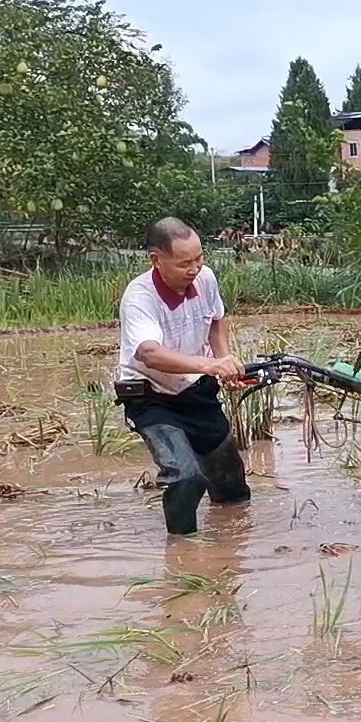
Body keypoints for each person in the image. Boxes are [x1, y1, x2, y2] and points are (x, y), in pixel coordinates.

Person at [116, 217, 251, 535]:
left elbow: (217, 318)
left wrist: (223, 358)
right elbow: (151, 354)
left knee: (231, 487)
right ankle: (183, 554)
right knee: (184, 477)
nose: (194, 269)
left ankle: (233, 543)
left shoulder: (205, 279)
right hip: (152, 398)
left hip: (197, 392)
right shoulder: (139, 298)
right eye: (184, 263)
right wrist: (210, 366)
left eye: (199, 258)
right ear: (156, 260)